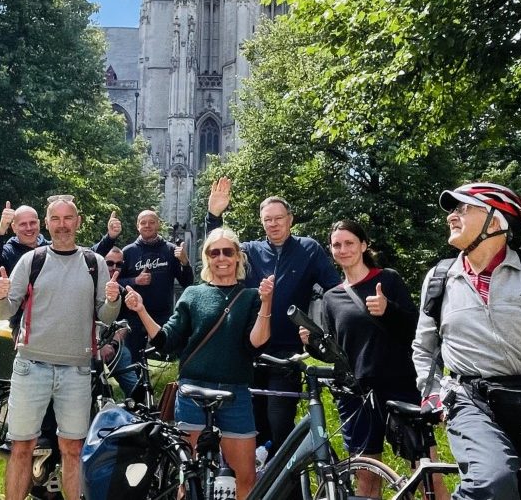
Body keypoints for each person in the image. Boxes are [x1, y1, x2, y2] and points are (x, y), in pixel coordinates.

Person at [413, 182, 521, 500]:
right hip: (471, 401)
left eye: (462, 208)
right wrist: (433, 393)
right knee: (492, 481)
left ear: (495, 222)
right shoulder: (439, 278)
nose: (451, 216)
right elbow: (424, 347)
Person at [124, 228, 273, 500]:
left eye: (228, 251)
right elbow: (167, 340)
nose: (221, 258)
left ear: (238, 257)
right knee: (189, 475)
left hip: (234, 391)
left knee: (246, 475)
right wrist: (141, 310)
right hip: (193, 390)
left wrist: (266, 304)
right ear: (207, 258)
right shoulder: (193, 294)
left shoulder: (250, 296)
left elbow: (256, 343)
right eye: (214, 252)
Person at [0, 196, 121, 500]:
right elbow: (4, 311)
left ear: (78, 222)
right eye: (55, 219)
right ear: (47, 224)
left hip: (76, 370)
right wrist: (0, 295)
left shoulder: (95, 263)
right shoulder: (31, 260)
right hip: (31, 366)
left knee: (73, 449)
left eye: (68, 218)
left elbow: (105, 314)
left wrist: (113, 300)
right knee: (22, 447)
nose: (62, 225)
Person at [205, 177, 341, 456]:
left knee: (280, 426)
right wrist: (214, 217)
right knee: (249, 426)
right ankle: (254, 483)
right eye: (268, 219)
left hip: (287, 353)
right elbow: (219, 253)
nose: (274, 224)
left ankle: (284, 486)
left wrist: (331, 329)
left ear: (290, 219)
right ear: (261, 222)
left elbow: (335, 291)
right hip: (248, 351)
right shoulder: (251, 251)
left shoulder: (309, 249)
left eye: (279, 218)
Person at [314, 220, 448, 499]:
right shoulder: (330, 297)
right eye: (336, 245)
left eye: (349, 243)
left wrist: (388, 310)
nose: (343, 249)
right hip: (359, 395)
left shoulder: (387, 279)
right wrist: (313, 345)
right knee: (367, 480)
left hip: (400, 387)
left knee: (427, 475)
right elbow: (335, 353)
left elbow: (416, 329)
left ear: (364, 245)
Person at [119, 209, 194, 360]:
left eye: (152, 222)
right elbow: (115, 283)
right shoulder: (127, 252)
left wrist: (185, 263)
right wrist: (135, 281)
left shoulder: (171, 250)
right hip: (134, 316)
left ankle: (173, 382)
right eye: (143, 222)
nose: (147, 226)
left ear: (158, 224)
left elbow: (187, 282)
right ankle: (137, 384)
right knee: (134, 360)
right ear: (137, 226)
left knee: (172, 354)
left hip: (163, 314)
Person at [100, 246, 139, 398]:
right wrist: (98, 348)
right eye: (109, 263)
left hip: (112, 343)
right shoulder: (87, 284)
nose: (114, 267)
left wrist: (113, 344)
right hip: (86, 345)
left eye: (119, 264)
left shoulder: (122, 290)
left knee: (133, 385)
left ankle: (138, 412)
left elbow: (127, 323)